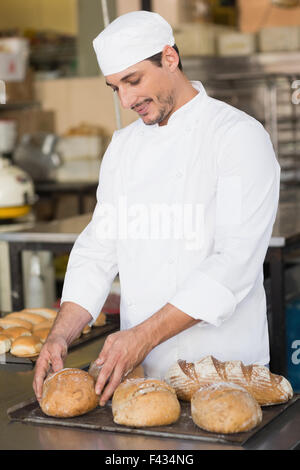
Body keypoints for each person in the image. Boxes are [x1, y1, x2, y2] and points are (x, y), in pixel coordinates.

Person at [33, 11, 280, 406]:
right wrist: (60, 334)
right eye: (115, 88)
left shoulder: (237, 137)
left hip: (227, 375)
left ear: (170, 58)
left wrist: (142, 336)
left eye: (133, 81)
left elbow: (234, 263)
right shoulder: (124, 147)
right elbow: (99, 250)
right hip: (145, 378)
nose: (126, 100)